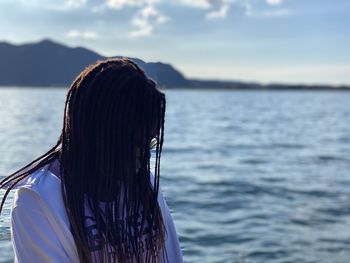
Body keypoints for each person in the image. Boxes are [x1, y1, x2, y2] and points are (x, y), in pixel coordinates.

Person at [0, 58, 183, 263]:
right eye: (136, 144)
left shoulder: (142, 183)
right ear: (101, 136)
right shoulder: (38, 201)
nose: (143, 156)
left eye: (149, 142)